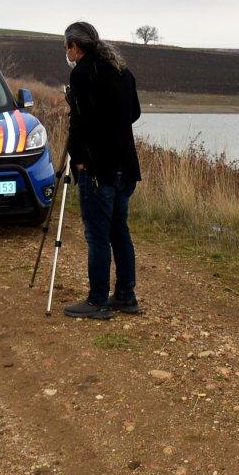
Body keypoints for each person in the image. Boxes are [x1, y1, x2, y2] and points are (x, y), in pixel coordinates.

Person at [62, 21, 142, 320]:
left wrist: (79, 156)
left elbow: (80, 122)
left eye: (67, 47)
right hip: (125, 165)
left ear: (75, 46)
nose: (67, 53)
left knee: (97, 235)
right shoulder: (121, 70)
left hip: (98, 167)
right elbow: (134, 112)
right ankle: (125, 294)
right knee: (119, 230)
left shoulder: (83, 73)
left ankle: (97, 300)